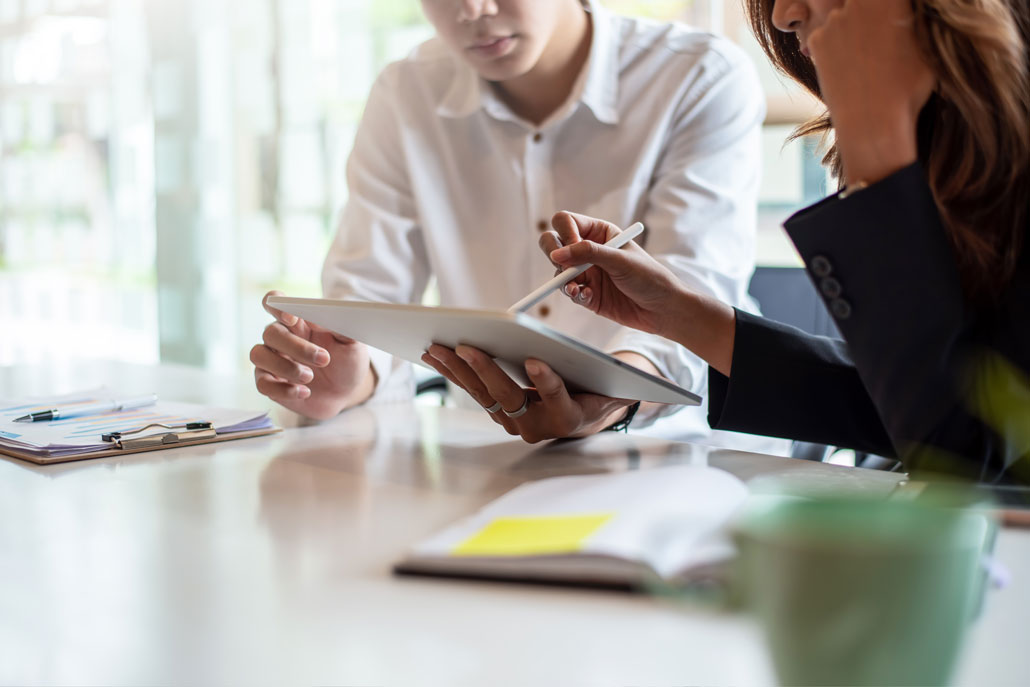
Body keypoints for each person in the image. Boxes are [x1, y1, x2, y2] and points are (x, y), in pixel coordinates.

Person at [251, 0, 787, 452]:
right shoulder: (405, 94)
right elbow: (369, 302)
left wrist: (607, 397)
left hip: (678, 451)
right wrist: (347, 376)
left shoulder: (696, 76)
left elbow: (696, 305)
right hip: (486, 452)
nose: (472, 11)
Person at [535, 0, 1030, 481]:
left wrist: (878, 159)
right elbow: (924, 405)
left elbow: (964, 458)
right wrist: (677, 314)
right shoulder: (952, 138)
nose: (780, 14)